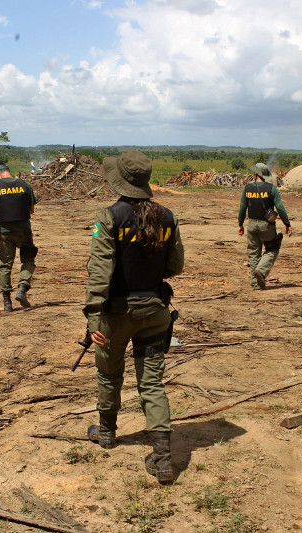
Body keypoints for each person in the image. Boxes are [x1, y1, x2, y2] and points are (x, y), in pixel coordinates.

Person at [83, 150, 184, 484]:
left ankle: (108, 432)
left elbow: (100, 271)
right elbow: (175, 267)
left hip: (116, 314)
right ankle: (163, 456)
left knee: (110, 375)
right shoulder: (167, 217)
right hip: (156, 312)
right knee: (152, 383)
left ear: (120, 179)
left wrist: (94, 316)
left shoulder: (108, 217)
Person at [0, 164, 38, 312]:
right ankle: (22, 288)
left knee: (5, 265)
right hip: (24, 230)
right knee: (28, 260)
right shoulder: (25, 184)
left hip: (5, 231)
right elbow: (32, 209)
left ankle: (7, 303)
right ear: (8, 173)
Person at [237, 163, 292, 289]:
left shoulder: (247, 188)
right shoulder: (271, 188)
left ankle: (255, 283)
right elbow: (280, 207)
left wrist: (240, 224)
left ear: (255, 174)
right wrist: (287, 224)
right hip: (267, 225)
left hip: (251, 224)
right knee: (272, 249)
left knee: (253, 253)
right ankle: (261, 272)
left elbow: (242, 208)